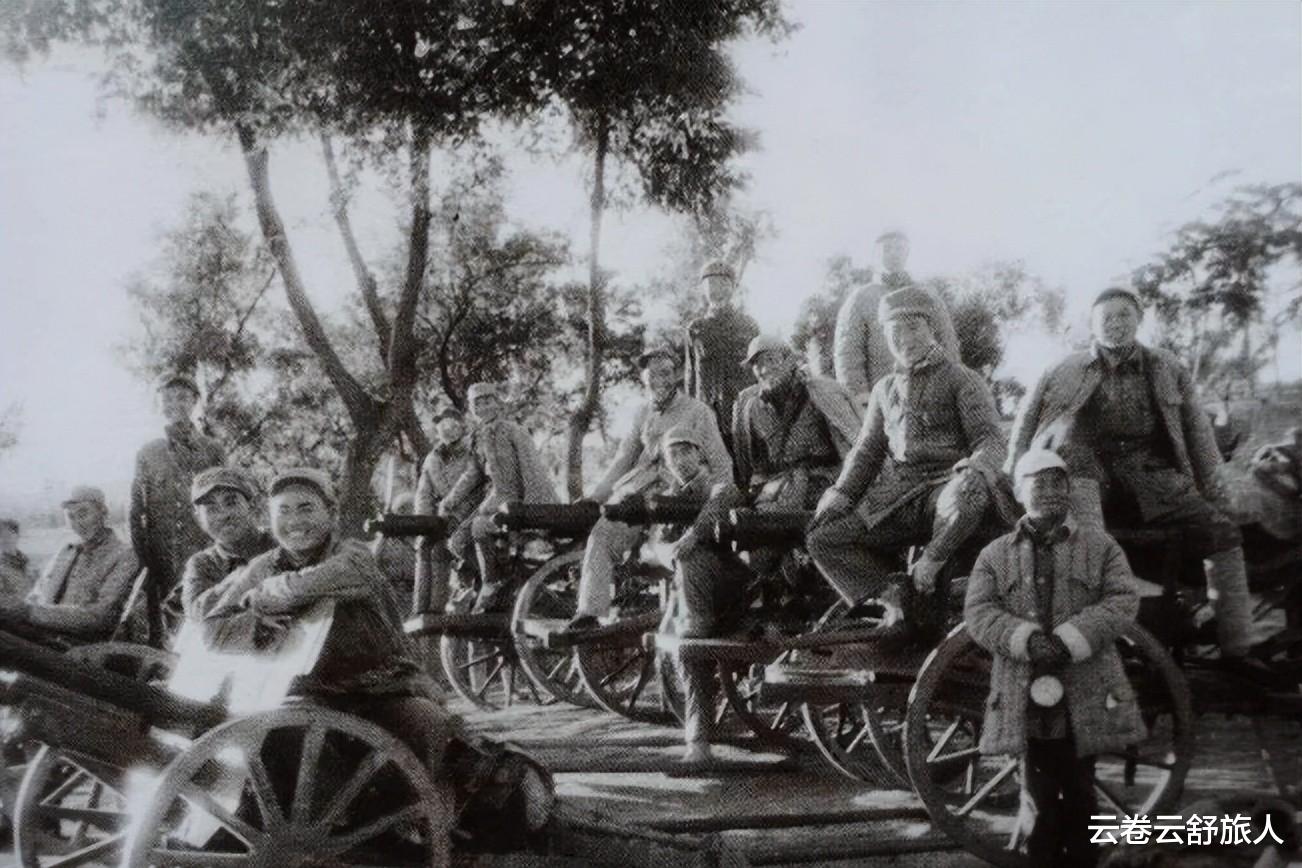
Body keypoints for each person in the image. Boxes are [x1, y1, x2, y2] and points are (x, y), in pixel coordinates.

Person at [1009, 287, 1258, 676]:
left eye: (1124, 315)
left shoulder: (1166, 367)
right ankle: (1096, 596)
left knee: (1222, 532)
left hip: (1150, 479)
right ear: (1092, 325)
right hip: (1084, 482)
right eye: (1106, 317)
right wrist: (1016, 481)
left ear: (1139, 320)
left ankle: (1238, 650)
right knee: (1074, 455)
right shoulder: (1062, 369)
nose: (1116, 324)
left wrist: (1216, 491)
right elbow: (1024, 426)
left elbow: (1199, 436)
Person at [670, 335, 861, 762]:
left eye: (771, 360)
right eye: (757, 363)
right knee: (714, 541)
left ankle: (770, 594)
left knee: (781, 525)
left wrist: (843, 496)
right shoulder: (748, 404)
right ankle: (699, 726)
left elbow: (854, 450)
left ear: (791, 360)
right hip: (770, 492)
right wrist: (701, 529)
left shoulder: (822, 393)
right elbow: (745, 471)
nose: (763, 369)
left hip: (823, 491)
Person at [965, 448, 1144, 868]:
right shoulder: (994, 555)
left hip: (1086, 693)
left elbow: (1122, 600)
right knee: (1037, 796)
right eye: (1038, 482)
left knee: (1082, 791)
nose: (1050, 491)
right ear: (1017, 491)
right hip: (1024, 699)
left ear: (1069, 490)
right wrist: (1025, 640)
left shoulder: (1101, 548)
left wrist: (1070, 638)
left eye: (1058, 482)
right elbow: (979, 613)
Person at [810, 286, 1009, 614]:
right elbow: (867, 452)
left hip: (947, 487)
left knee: (967, 494)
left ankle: (931, 566)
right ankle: (893, 599)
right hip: (900, 496)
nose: (905, 339)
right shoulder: (884, 389)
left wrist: (975, 469)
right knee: (823, 536)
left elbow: (991, 439)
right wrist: (840, 493)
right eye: (895, 331)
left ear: (931, 329)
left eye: (914, 327)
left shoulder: (962, 379)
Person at [569, 345, 732, 629]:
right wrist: (596, 496)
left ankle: (684, 617)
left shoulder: (698, 411)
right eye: (652, 375)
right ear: (644, 379)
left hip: (677, 497)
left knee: (666, 547)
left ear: (677, 375)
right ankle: (589, 613)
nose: (660, 381)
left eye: (666, 373)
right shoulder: (643, 413)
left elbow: (720, 464)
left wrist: (717, 501)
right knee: (602, 532)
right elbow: (623, 459)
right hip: (639, 495)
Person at [439, 383, 558, 613]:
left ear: (497, 403)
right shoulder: (476, 438)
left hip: (516, 499)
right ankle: (500, 580)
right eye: (477, 404)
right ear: (472, 409)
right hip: (493, 498)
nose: (483, 407)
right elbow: (472, 474)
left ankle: (491, 584)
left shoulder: (513, 431)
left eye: (488, 401)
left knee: (479, 527)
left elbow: (531, 469)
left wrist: (534, 509)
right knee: (457, 542)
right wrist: (449, 501)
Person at [130, 372, 225, 643]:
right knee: (165, 625)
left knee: (205, 615)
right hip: (161, 555)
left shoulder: (212, 449)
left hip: (203, 548)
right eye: (167, 398)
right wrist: (143, 558)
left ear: (195, 401)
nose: (175, 404)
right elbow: (136, 509)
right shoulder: (148, 453)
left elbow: (227, 501)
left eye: (182, 397)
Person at [832, 230, 960, 408]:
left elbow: (947, 342)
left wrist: (953, 387)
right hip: (882, 400)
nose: (893, 254)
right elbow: (848, 354)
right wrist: (860, 398)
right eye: (887, 249)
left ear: (907, 253)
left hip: (930, 396)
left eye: (899, 248)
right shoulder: (859, 300)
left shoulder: (927, 295)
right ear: (875, 255)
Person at [0, 486, 139, 641]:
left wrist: (28, 612)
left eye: (83, 514)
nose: (78, 523)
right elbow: (36, 597)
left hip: (81, 647)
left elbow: (101, 618)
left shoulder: (124, 555)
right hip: (43, 638)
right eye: (71, 517)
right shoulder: (66, 552)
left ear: (103, 512)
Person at [178, 466, 274, 621]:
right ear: (199, 519)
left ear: (251, 505)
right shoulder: (202, 564)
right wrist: (245, 576)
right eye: (211, 509)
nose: (223, 515)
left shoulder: (279, 542)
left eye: (231, 503)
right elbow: (197, 614)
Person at [684, 259, 760, 453]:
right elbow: (691, 378)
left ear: (733, 287)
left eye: (723, 282)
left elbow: (759, 371)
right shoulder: (696, 329)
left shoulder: (748, 326)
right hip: (709, 413)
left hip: (744, 411)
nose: (717, 289)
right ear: (703, 289)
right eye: (711, 283)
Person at [414, 407, 477, 614]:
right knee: (424, 546)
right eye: (441, 425)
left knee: (440, 550)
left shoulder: (472, 451)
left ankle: (437, 608)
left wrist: (451, 506)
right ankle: (422, 607)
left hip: (468, 514)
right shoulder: (432, 458)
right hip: (443, 517)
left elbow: (472, 480)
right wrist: (424, 523)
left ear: (462, 427)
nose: (446, 429)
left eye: (451, 424)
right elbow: (424, 493)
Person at [372, 490, 418, 616]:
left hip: (413, 600)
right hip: (391, 599)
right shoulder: (385, 542)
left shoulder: (420, 541)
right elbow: (375, 570)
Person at [0, 518, 32, 601]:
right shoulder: (2, 567)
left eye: (8, 535)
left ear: (17, 536)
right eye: (1, 536)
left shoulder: (28, 563)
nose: (4, 540)